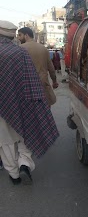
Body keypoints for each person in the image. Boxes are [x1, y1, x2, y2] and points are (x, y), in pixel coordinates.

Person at [0, 20, 59, 185]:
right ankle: (24, 163)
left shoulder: (21, 51)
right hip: (23, 102)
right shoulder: (20, 53)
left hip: (1, 107)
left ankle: (13, 174)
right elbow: (32, 80)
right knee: (25, 134)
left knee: (5, 141)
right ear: (12, 36)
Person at [17, 27, 58, 106]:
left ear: (26, 35)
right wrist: (54, 81)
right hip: (43, 85)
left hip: (27, 87)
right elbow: (51, 69)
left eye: (20, 35)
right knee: (46, 110)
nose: (18, 38)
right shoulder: (43, 48)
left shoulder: (20, 49)